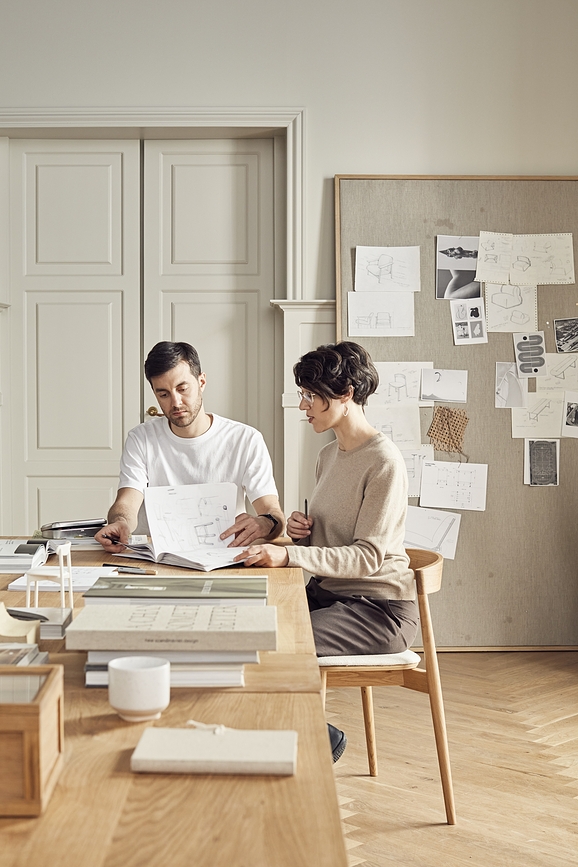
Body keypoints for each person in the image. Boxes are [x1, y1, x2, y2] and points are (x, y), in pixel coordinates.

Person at [235, 341, 419, 762]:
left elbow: (368, 556)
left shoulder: (384, 462)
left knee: (272, 642)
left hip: (378, 609)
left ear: (346, 393)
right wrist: (302, 534)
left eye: (310, 395)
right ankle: (264, 736)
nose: (303, 406)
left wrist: (290, 555)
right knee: (240, 627)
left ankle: (319, 736)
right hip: (330, 594)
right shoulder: (328, 454)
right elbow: (334, 540)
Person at [96, 341, 284, 552]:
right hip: (157, 557)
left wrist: (265, 523)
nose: (175, 402)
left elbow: (272, 513)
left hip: (223, 555)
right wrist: (121, 522)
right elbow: (127, 502)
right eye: (163, 394)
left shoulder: (246, 439)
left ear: (201, 382)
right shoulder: (141, 438)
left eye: (182, 388)